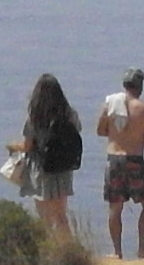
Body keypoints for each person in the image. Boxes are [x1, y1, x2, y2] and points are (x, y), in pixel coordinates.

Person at [11, 72, 88, 247]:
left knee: (44, 217)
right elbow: (78, 130)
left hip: (42, 170)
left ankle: (45, 252)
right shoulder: (69, 114)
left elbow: (28, 146)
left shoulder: (36, 118)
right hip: (63, 169)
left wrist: (11, 146)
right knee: (61, 216)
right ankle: (69, 251)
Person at [93, 69, 144, 258]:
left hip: (114, 160)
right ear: (140, 86)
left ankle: (117, 252)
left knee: (115, 207)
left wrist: (118, 136)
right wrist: (136, 138)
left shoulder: (110, 105)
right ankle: (143, 248)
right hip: (135, 161)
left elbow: (100, 131)